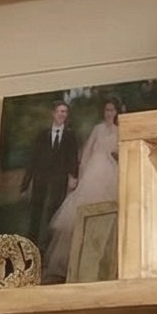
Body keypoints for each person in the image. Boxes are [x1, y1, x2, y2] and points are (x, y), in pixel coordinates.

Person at [43, 95, 120, 281]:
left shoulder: (119, 130)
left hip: (111, 174)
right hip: (94, 172)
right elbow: (87, 152)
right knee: (81, 212)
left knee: (107, 215)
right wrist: (81, 175)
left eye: (112, 110)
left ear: (117, 112)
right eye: (107, 110)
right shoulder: (98, 129)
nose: (109, 113)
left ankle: (99, 263)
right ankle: (67, 263)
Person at [21, 97, 80, 260]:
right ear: (53, 114)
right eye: (60, 111)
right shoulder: (42, 135)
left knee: (54, 212)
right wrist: (25, 184)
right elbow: (33, 159)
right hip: (41, 177)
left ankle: (48, 250)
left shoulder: (70, 136)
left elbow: (73, 158)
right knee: (36, 212)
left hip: (59, 179)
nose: (63, 115)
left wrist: (73, 176)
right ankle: (30, 247)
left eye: (65, 112)